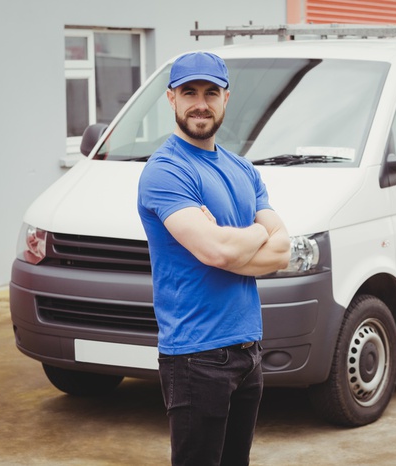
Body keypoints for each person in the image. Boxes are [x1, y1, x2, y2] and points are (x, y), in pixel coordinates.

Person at [137, 51, 291, 466]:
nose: (200, 103)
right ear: (171, 99)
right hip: (196, 356)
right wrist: (256, 234)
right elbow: (217, 250)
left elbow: (282, 250)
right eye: (189, 92)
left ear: (226, 98)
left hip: (247, 349)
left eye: (211, 92)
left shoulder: (243, 170)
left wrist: (235, 242)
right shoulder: (166, 171)